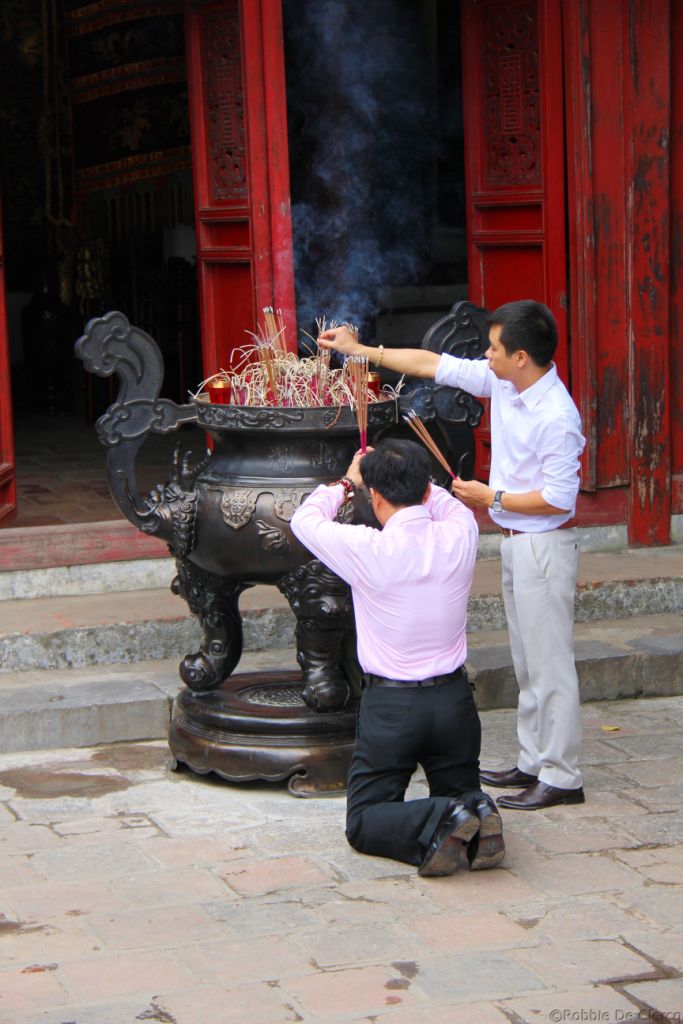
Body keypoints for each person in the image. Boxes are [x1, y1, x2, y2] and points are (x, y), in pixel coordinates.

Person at [318, 300, 586, 811]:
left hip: (544, 545)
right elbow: (431, 363)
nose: (487, 355)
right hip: (517, 543)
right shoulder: (506, 381)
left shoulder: (557, 415)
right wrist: (360, 351)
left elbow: (561, 497)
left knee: (550, 664)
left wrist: (493, 499)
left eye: (494, 348)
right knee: (528, 661)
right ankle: (533, 760)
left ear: (522, 356)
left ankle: (561, 774)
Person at [290, 438, 505, 877]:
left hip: (393, 709)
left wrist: (347, 483)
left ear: (378, 497)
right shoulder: (460, 531)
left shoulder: (368, 547)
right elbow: (441, 502)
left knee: (365, 821)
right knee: (463, 789)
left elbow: (304, 519)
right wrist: (413, 477)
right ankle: (473, 808)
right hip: (454, 704)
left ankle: (443, 817)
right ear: (426, 490)